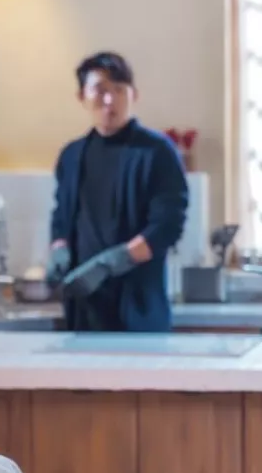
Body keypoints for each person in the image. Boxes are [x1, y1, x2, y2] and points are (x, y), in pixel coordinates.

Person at [45, 51, 188, 332]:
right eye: (99, 91)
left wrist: (112, 262)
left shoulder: (156, 152)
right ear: (82, 97)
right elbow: (61, 218)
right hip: (83, 312)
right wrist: (58, 249)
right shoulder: (71, 156)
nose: (109, 101)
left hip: (139, 312)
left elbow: (167, 226)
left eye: (119, 90)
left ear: (134, 94)